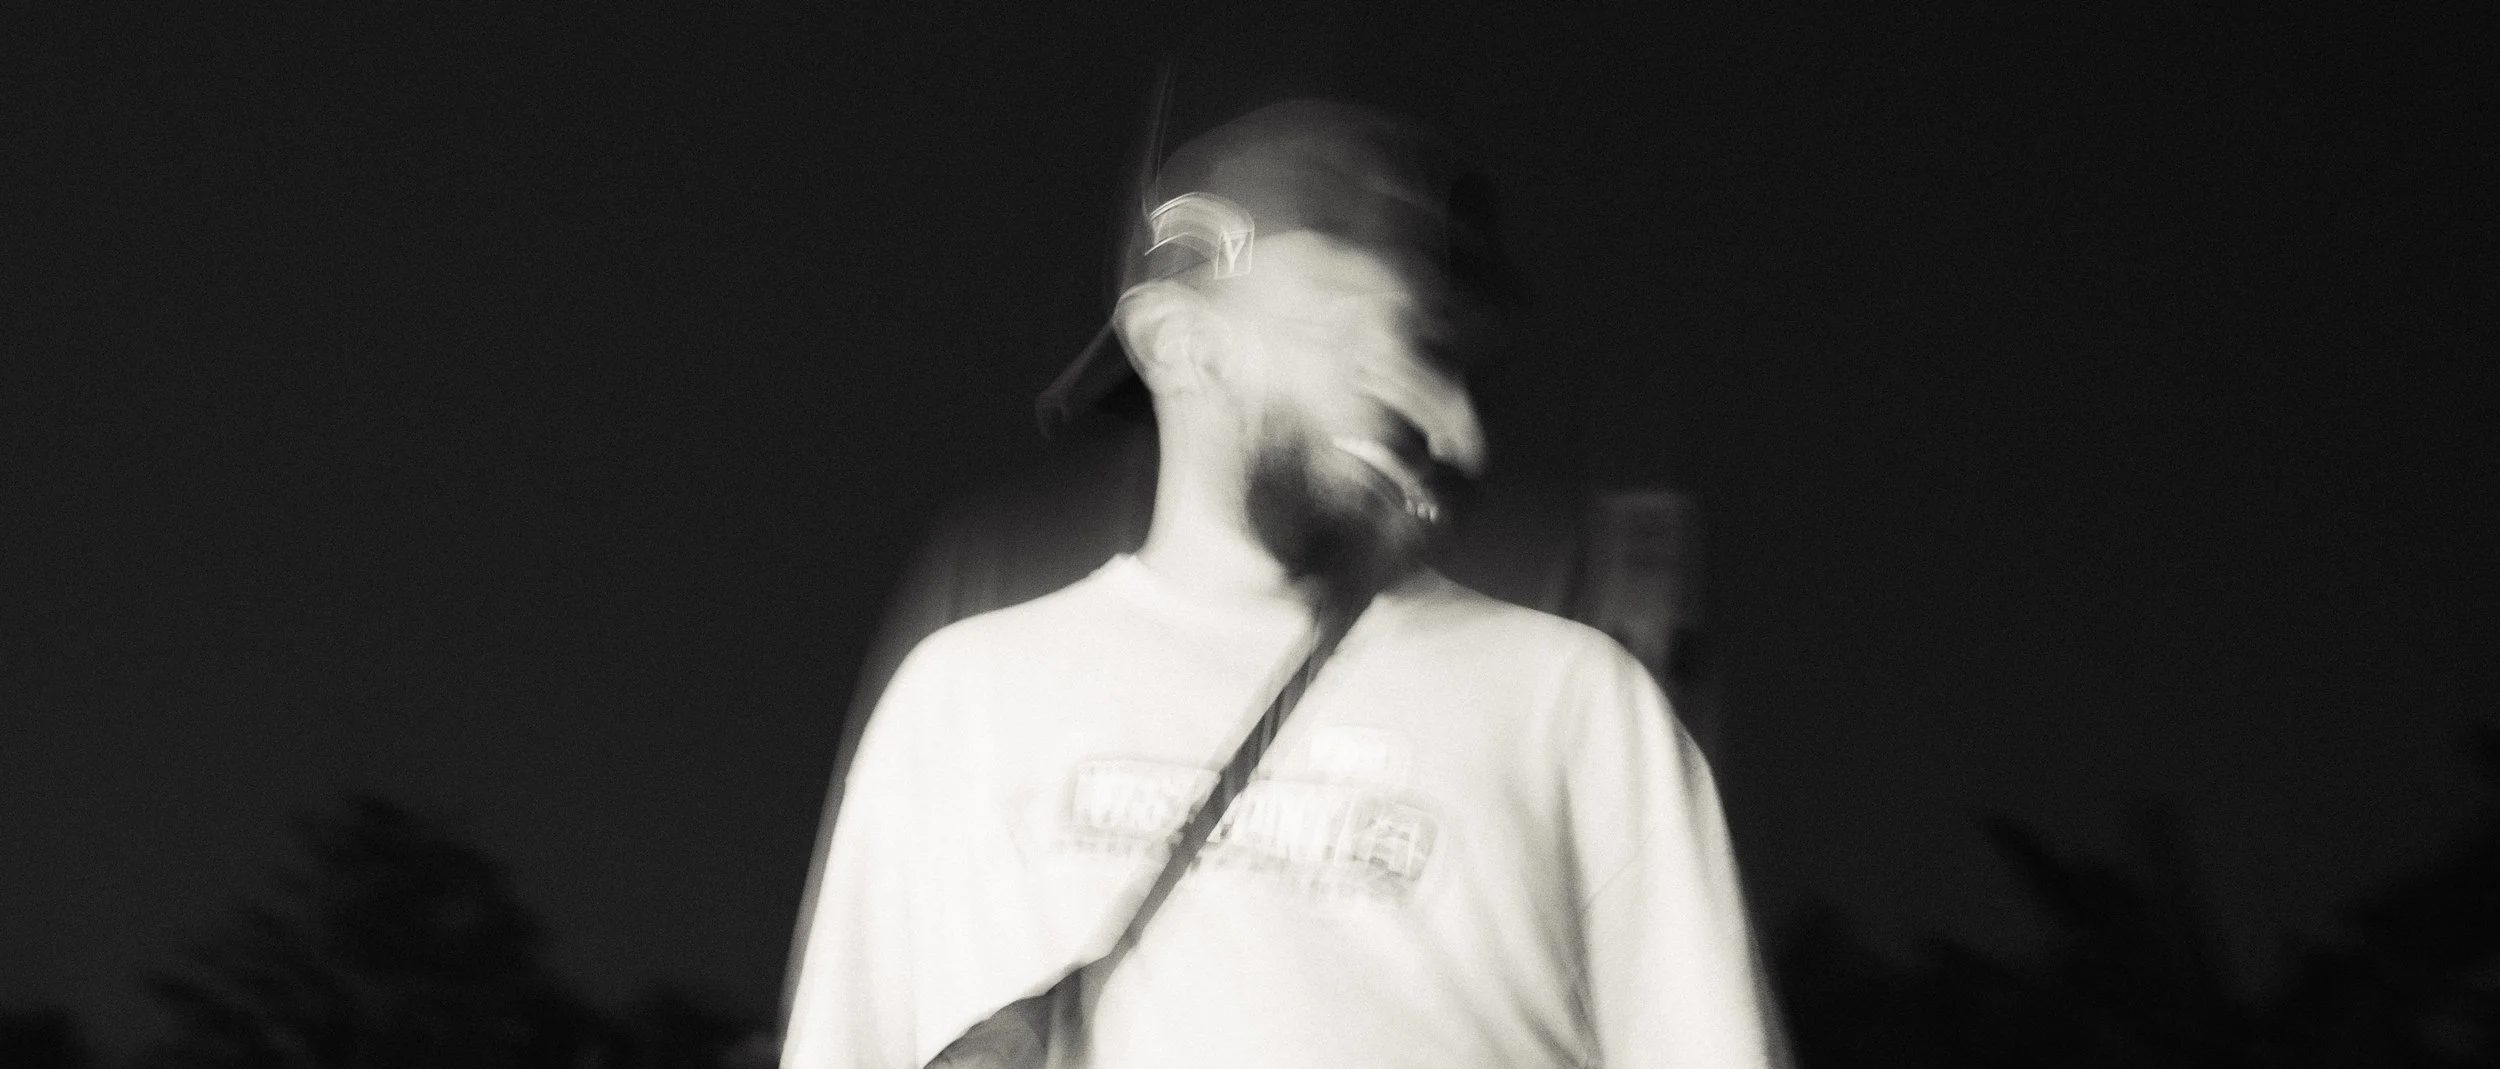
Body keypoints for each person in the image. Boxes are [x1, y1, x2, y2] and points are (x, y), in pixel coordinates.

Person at [781, 97, 1788, 1068]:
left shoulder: (1575, 702)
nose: (1409, 390)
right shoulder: (965, 698)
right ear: (1180, 341)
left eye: (1420, 338)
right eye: (1340, 320)